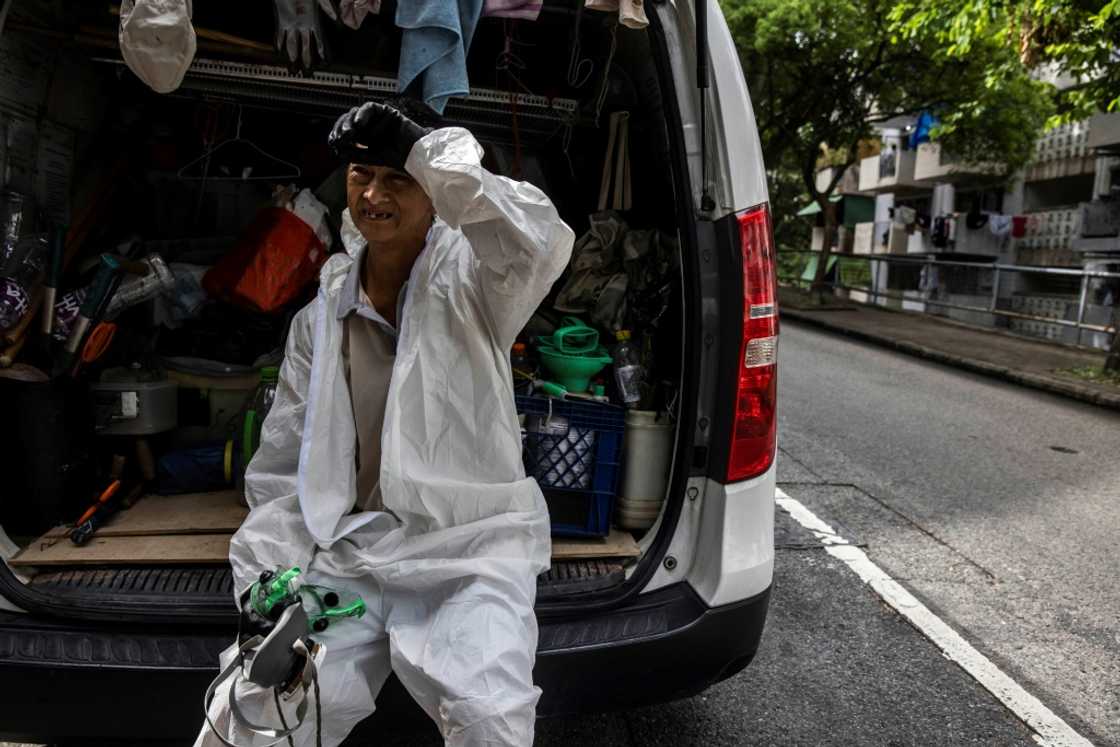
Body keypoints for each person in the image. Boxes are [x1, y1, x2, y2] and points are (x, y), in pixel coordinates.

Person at [197, 99, 575, 747]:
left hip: (467, 552)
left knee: (490, 717)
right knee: (255, 711)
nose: (373, 194)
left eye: (397, 178)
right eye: (360, 175)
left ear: (434, 193)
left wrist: (424, 148)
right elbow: (285, 465)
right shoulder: (322, 316)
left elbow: (536, 239)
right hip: (351, 555)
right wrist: (268, 578)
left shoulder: (480, 282)